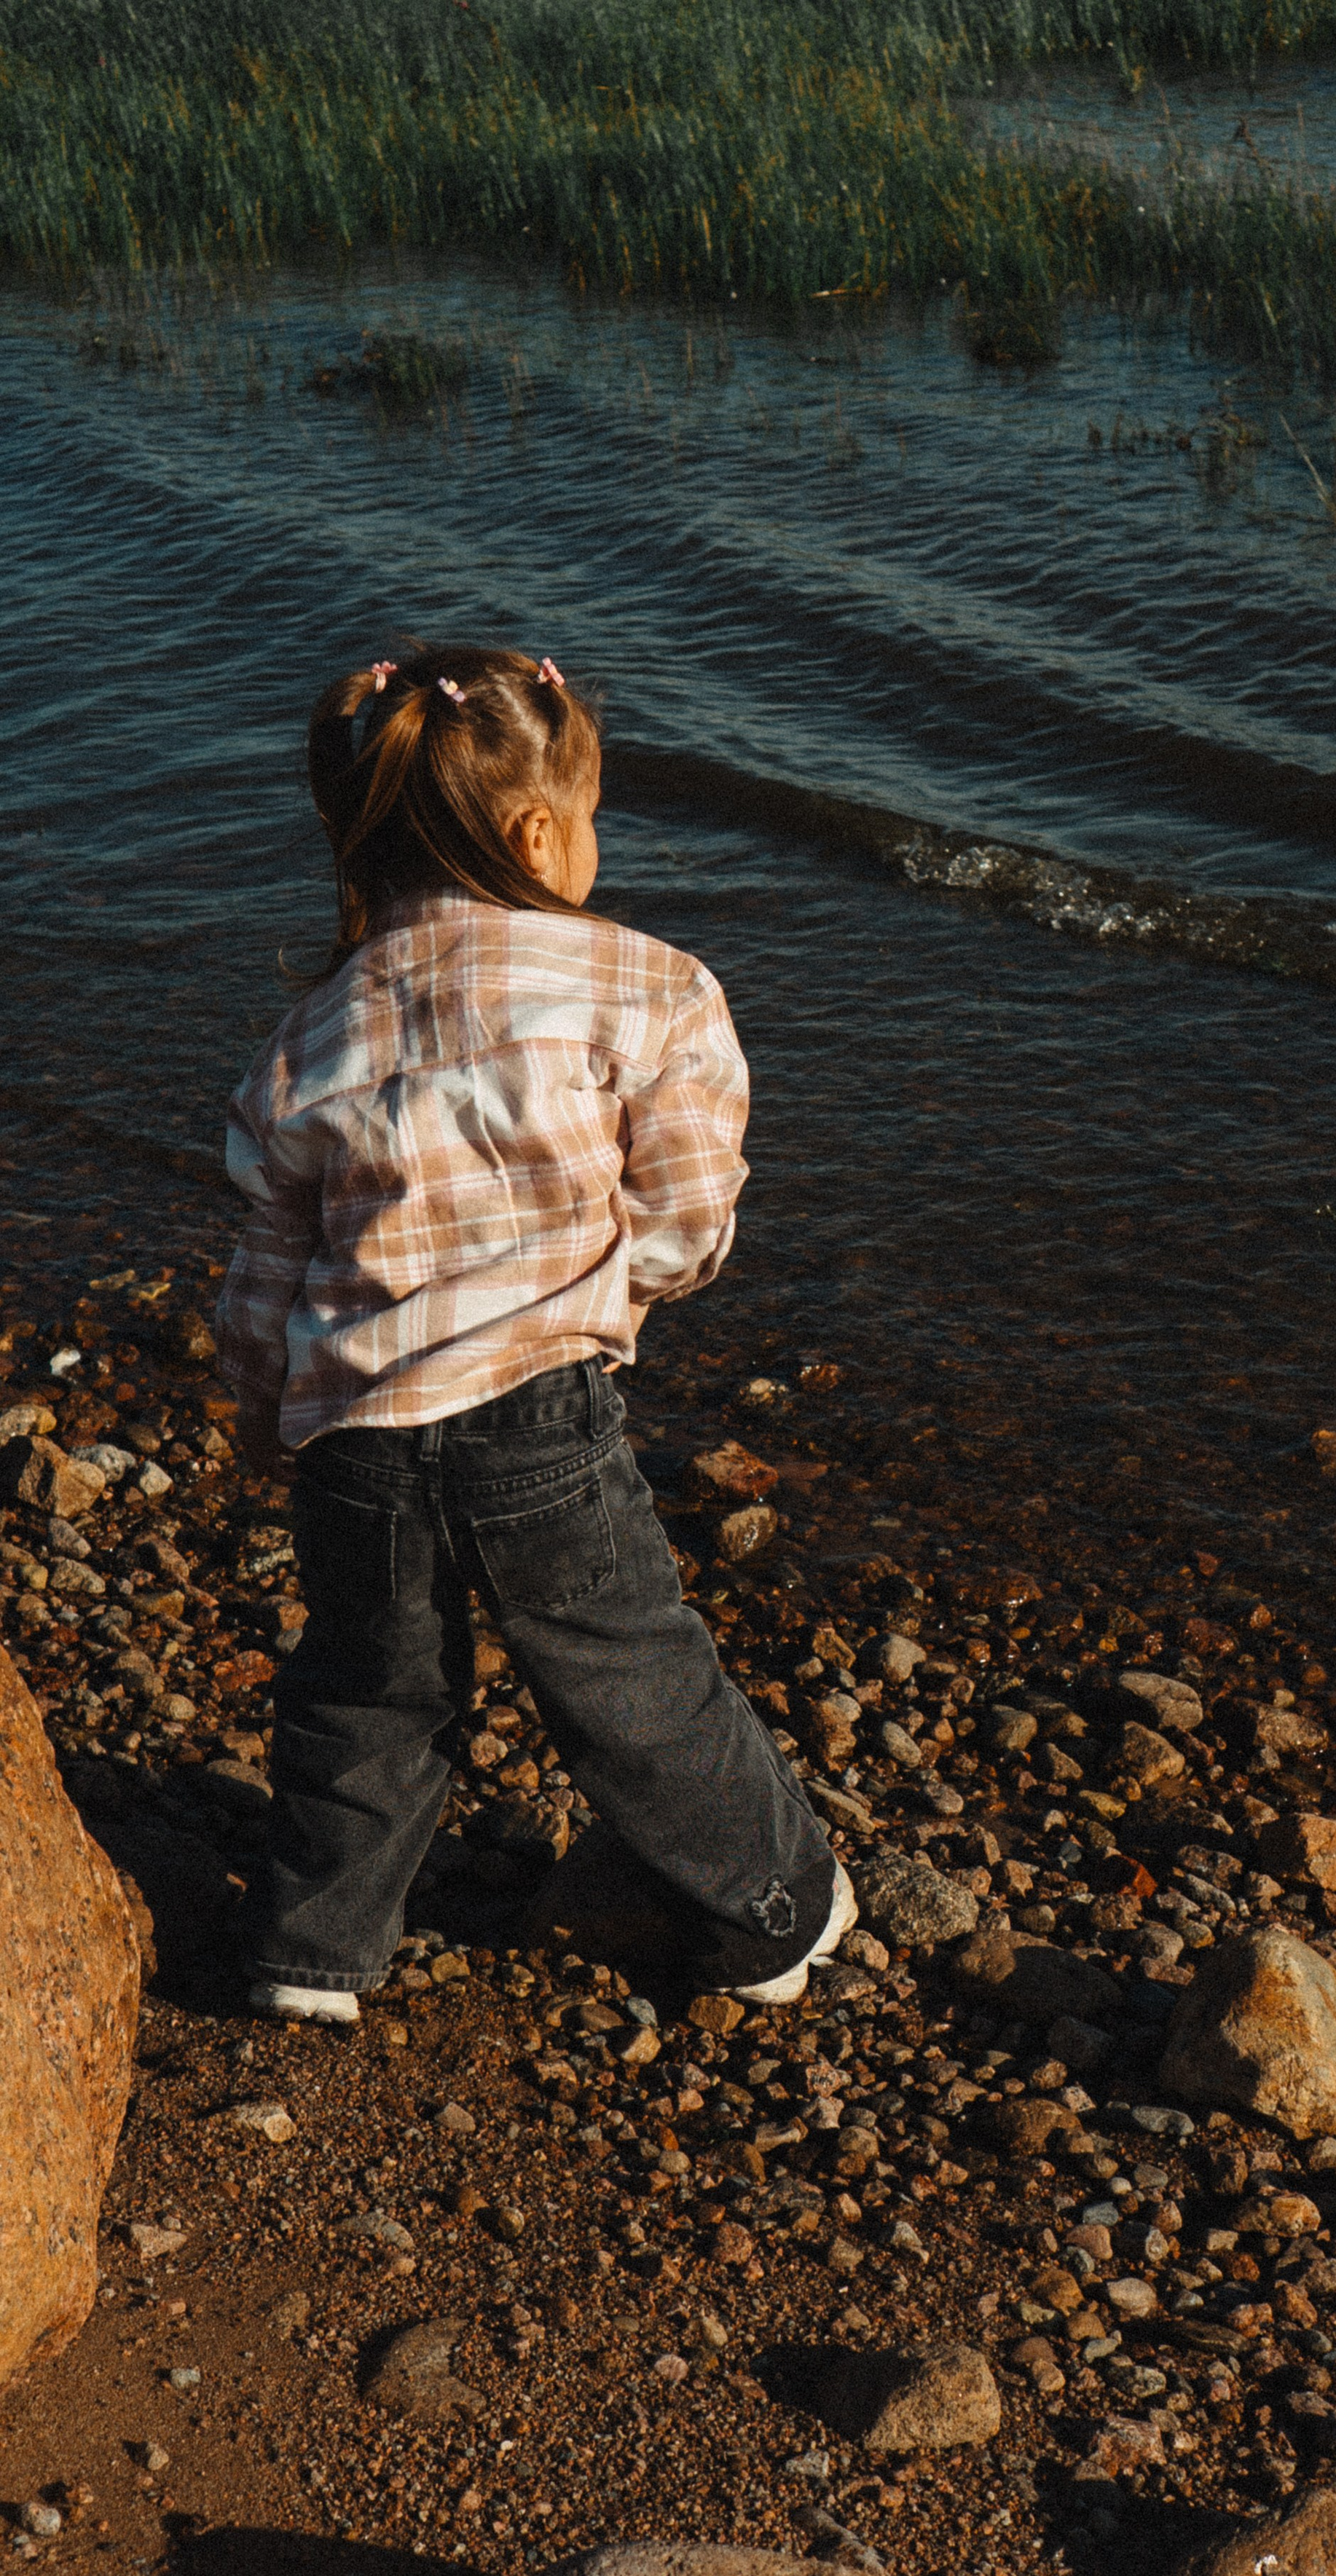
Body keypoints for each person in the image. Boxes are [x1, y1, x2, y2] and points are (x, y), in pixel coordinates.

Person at [215, 642, 854, 2025]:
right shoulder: (647, 987)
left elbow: (264, 1281)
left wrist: (262, 1408)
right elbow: (687, 1212)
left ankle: (311, 1959)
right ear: (535, 833)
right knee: (626, 1671)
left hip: (355, 1439)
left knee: (367, 1694)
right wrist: (613, 1293)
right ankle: (776, 1908)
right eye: (594, 815)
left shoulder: (302, 1042)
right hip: (536, 1416)